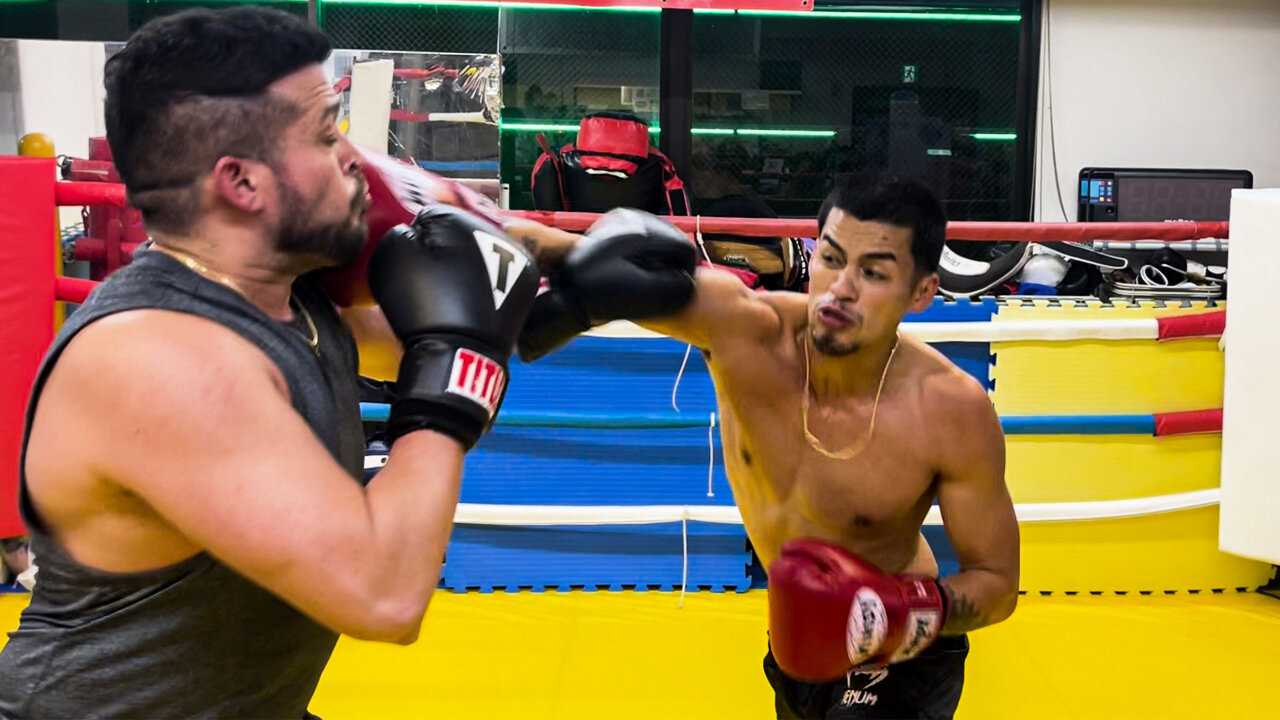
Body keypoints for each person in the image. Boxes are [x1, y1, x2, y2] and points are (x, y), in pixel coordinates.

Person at [0, 7, 696, 719]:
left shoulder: (286, 276)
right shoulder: (164, 360)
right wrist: (463, 365)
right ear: (241, 184)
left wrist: (570, 283)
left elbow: (447, 294)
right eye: (327, 131)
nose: (355, 157)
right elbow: (382, 595)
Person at [517, 178, 1020, 719]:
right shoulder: (745, 331)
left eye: (872, 273)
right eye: (830, 257)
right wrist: (436, 211)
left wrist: (906, 610)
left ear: (921, 292)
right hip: (796, 643)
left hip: (903, 648)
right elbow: (566, 254)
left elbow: (996, 583)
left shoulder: (950, 410)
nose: (840, 288)